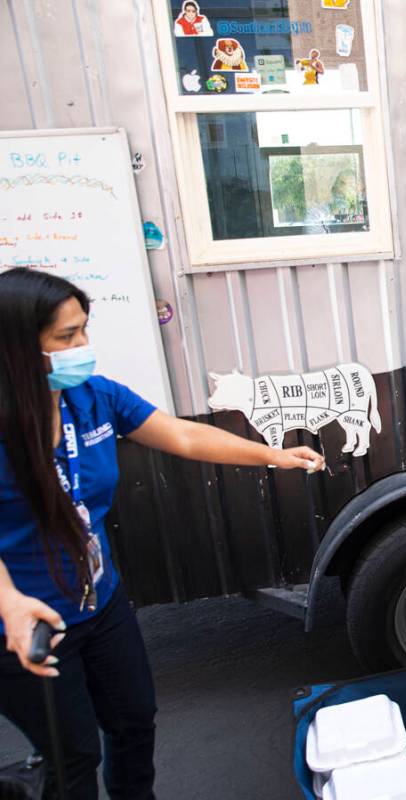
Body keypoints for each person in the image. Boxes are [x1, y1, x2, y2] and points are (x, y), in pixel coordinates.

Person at [0, 268, 325, 798]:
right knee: (73, 756)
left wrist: (274, 455)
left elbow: (181, 435)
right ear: (15, 346)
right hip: (27, 625)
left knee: (134, 721)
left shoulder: (93, 396)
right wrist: (8, 601)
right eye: (66, 337)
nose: (83, 346)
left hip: (101, 602)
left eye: (84, 329)